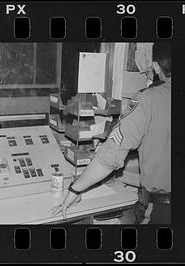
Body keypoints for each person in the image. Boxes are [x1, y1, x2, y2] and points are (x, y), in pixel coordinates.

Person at [52, 43, 171, 224]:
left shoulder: (148, 99)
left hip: (163, 210)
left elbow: (109, 156)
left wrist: (75, 190)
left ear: (156, 65)